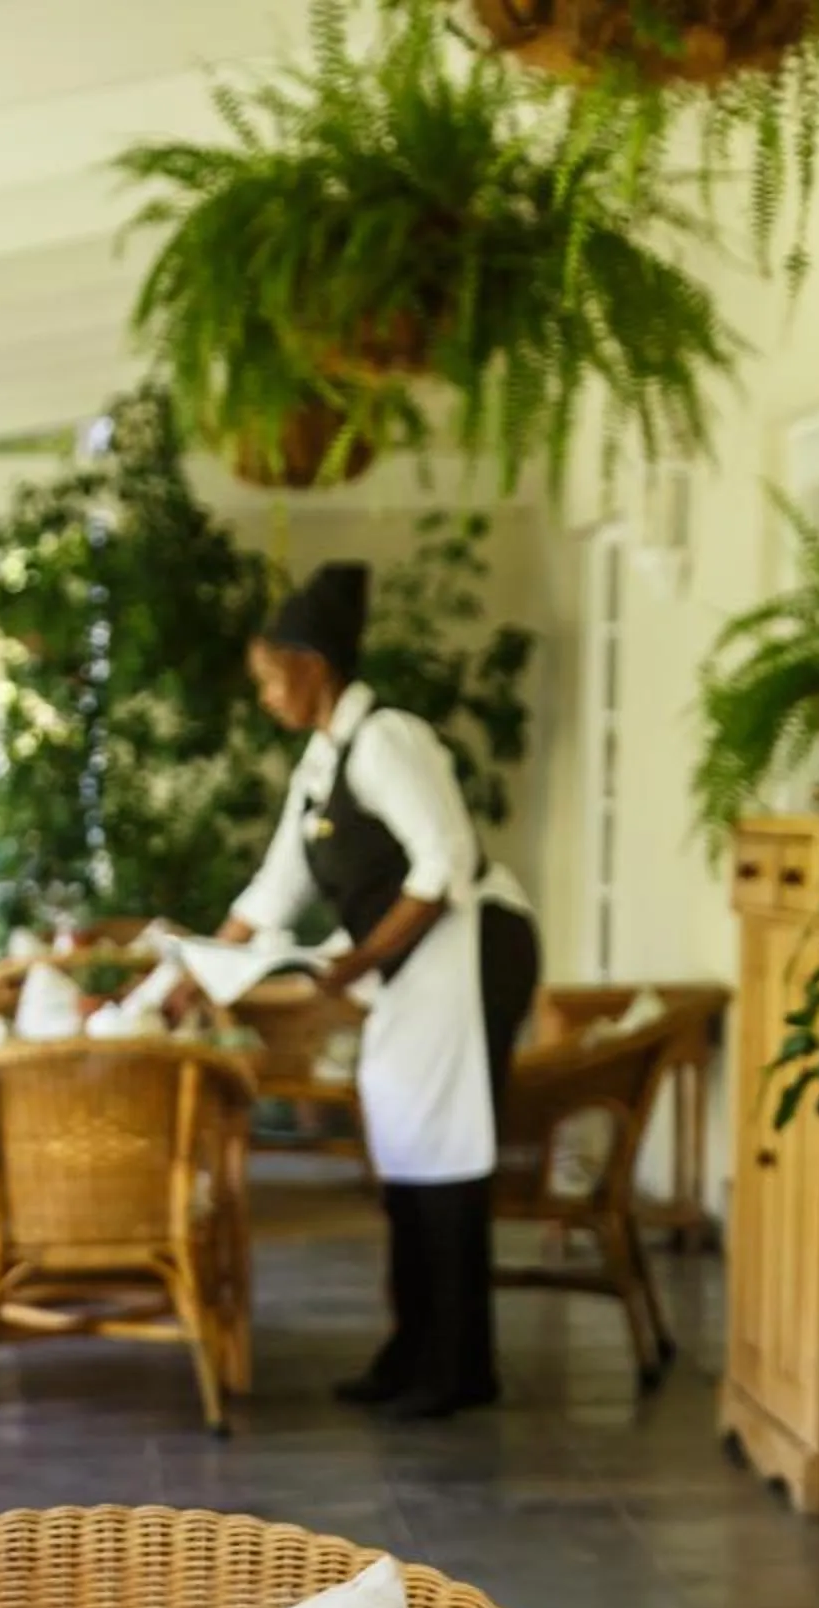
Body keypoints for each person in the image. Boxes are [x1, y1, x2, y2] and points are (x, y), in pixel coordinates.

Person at [214, 560, 541, 1419]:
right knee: (403, 1144)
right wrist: (195, 976)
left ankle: (461, 1366)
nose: (262, 698)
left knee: (449, 1154)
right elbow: (269, 893)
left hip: (468, 947)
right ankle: (409, 1350)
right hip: (407, 966)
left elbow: (447, 863)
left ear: (312, 667)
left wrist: (356, 963)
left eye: (268, 679)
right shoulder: (321, 766)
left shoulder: (388, 738)